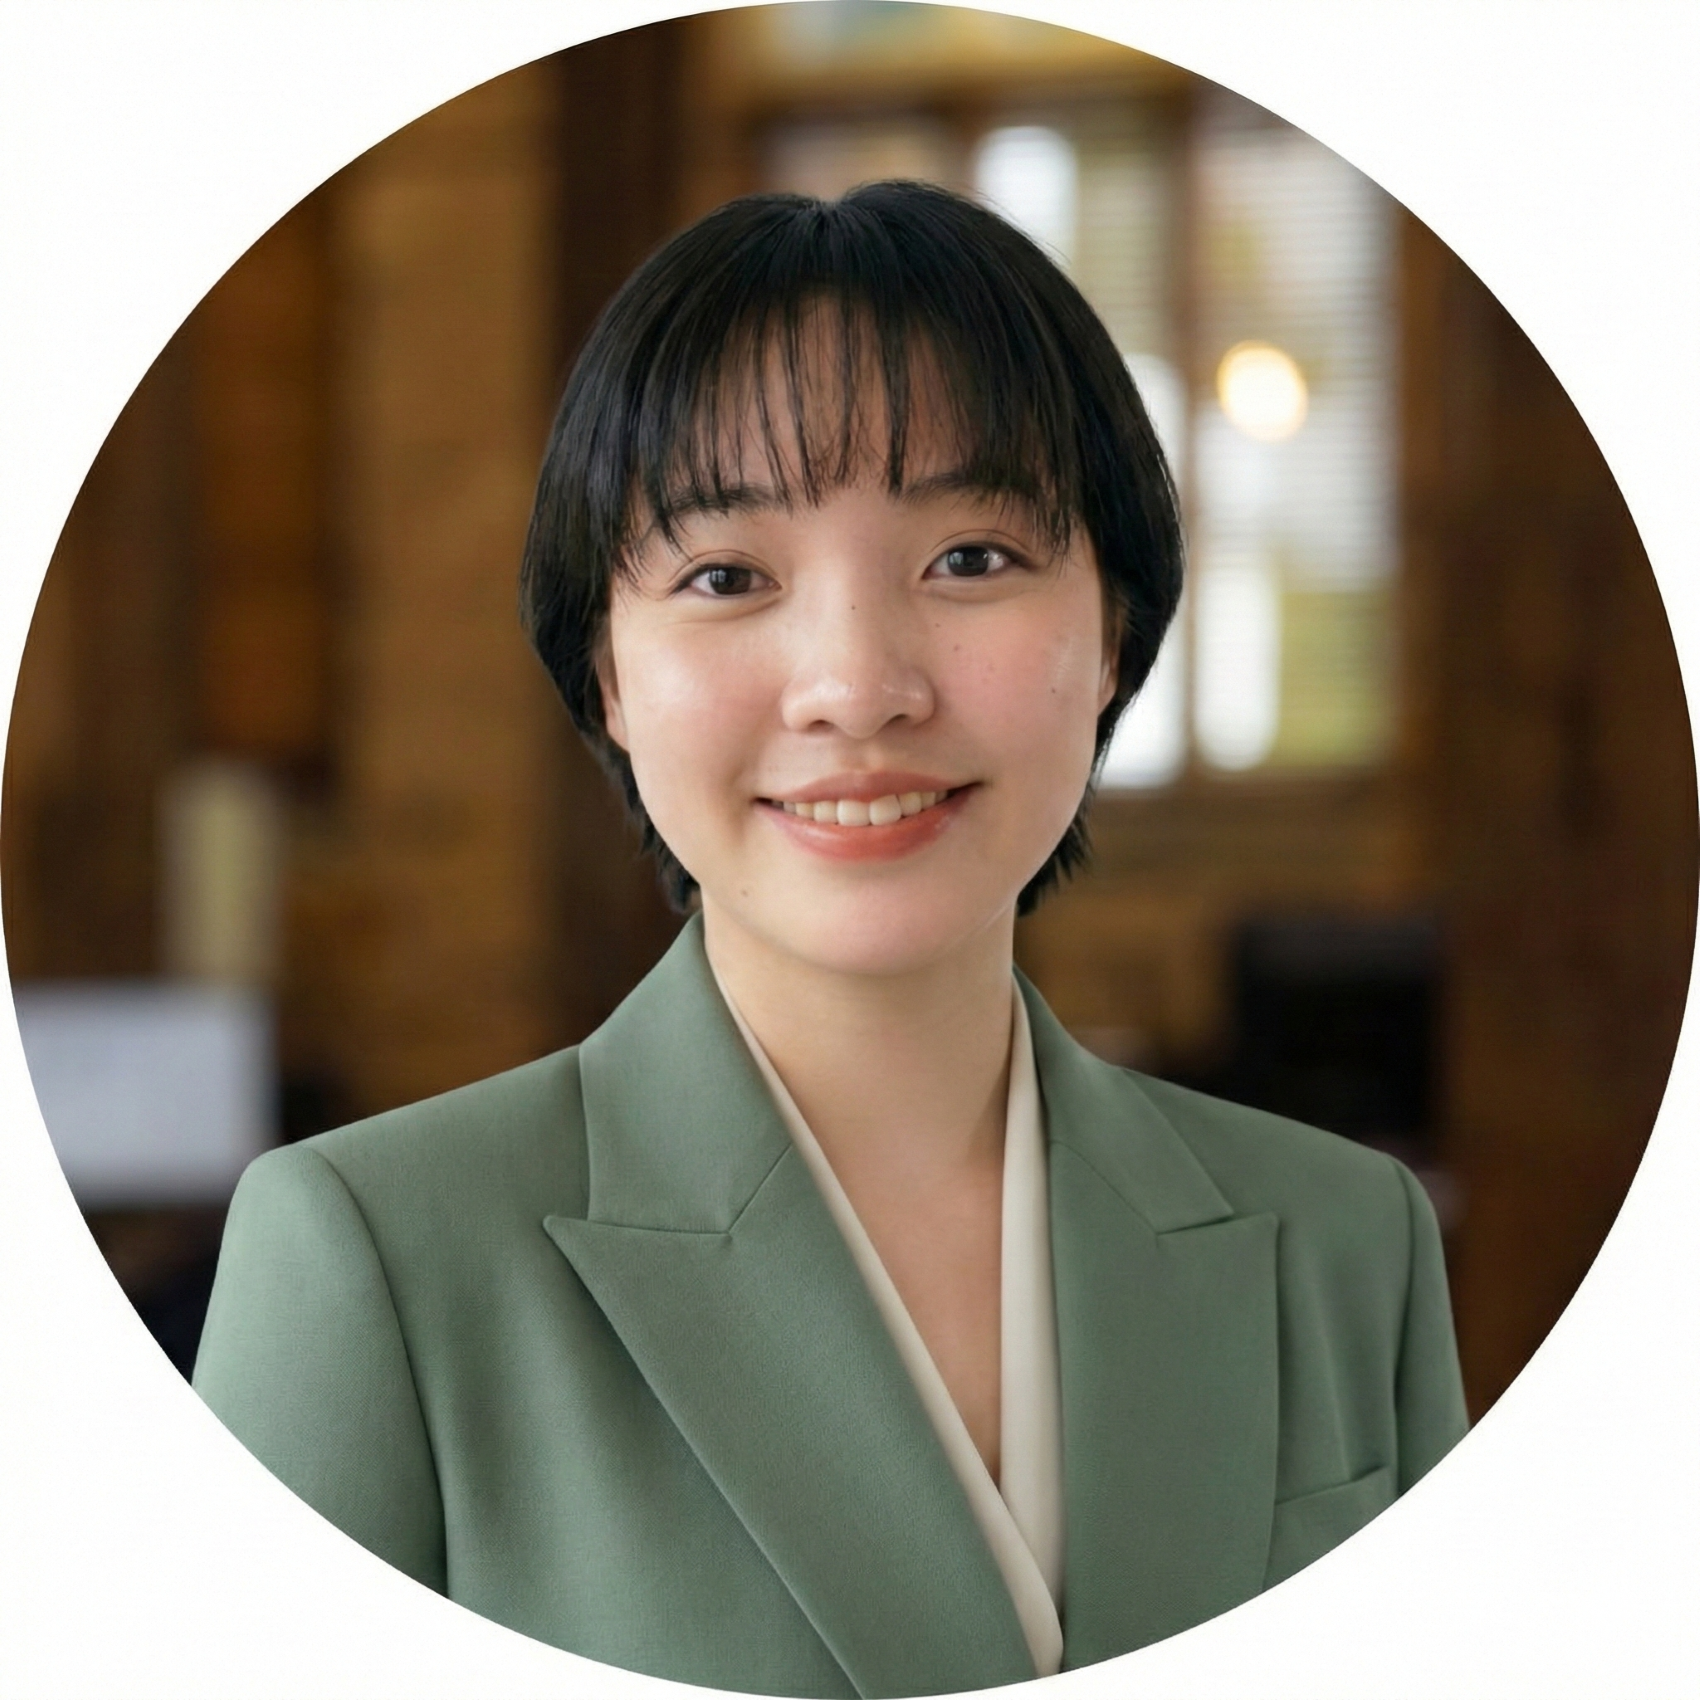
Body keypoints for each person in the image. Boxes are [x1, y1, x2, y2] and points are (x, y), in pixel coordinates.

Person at [194, 180, 1467, 1697]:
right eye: (728, 578)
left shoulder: (1346, 1246)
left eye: (972, 559)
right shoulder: (372, 1265)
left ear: (1116, 630)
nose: (857, 688)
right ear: (604, 670)